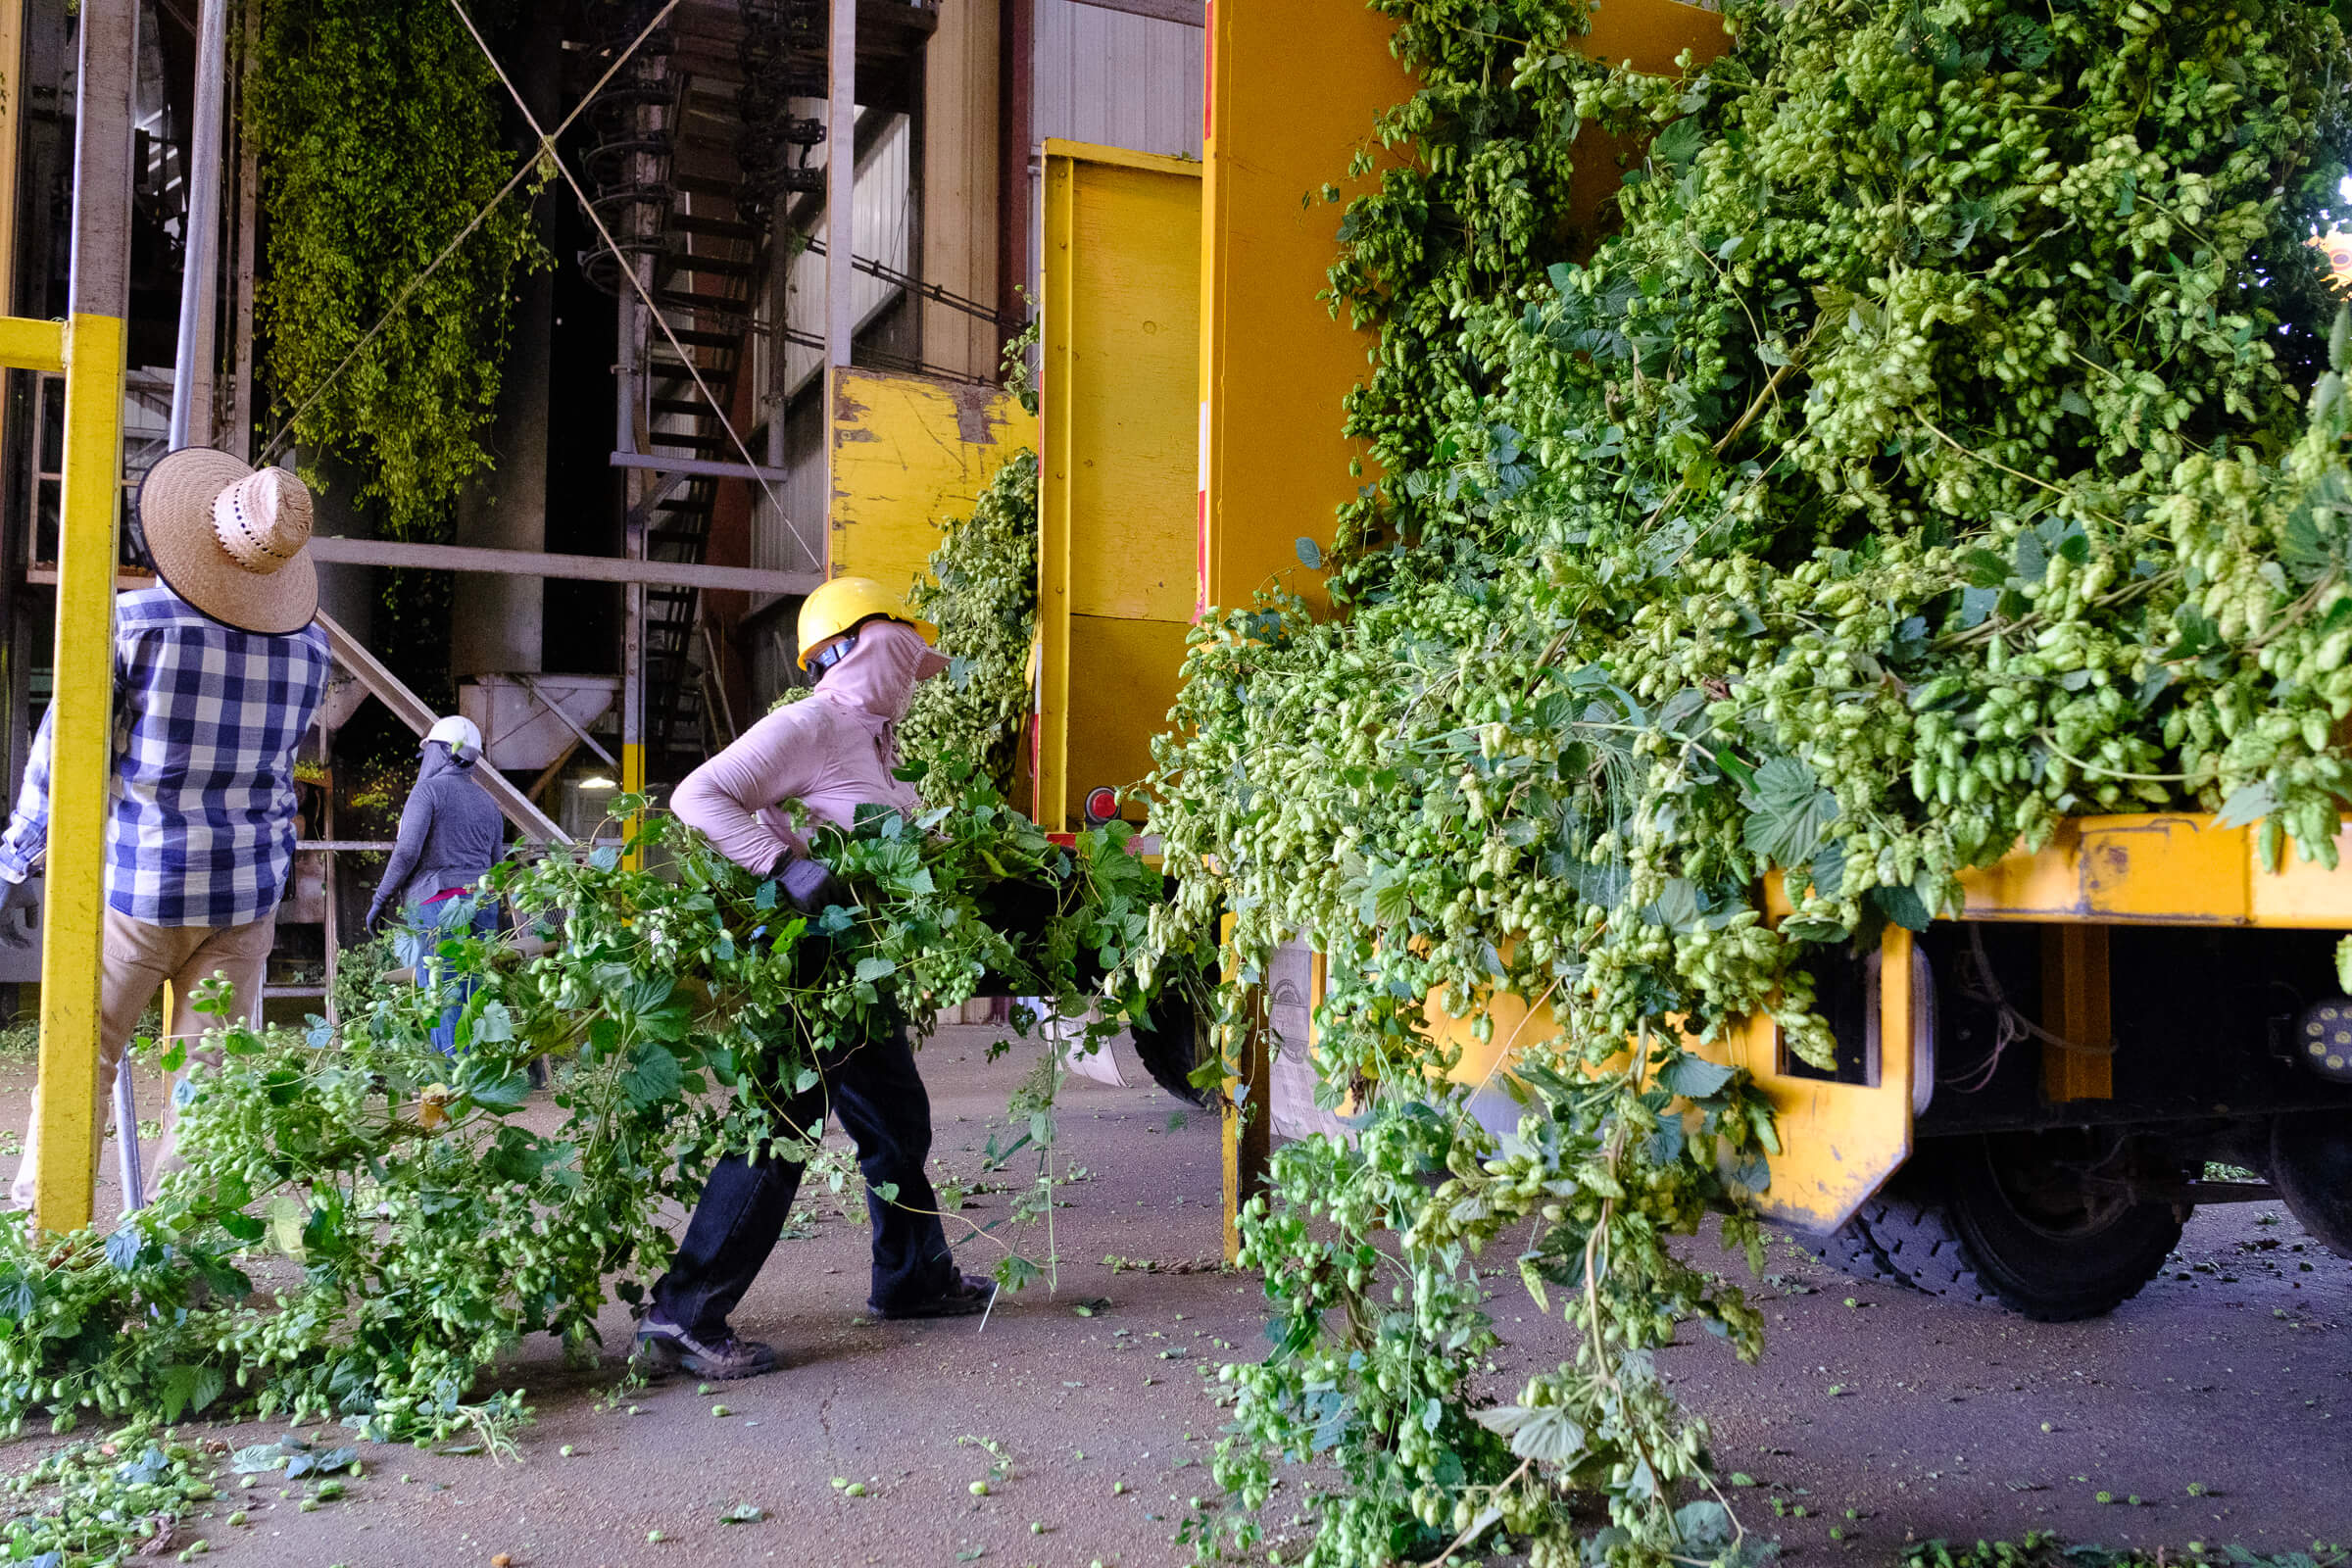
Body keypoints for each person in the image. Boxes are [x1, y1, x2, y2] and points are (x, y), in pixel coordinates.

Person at [637, 576, 994, 1382]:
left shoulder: (870, 743)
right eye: (901, 647)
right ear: (856, 646)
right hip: (808, 963)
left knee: (898, 1119)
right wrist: (780, 865)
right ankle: (684, 1312)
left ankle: (912, 1279)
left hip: (852, 970)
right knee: (779, 1131)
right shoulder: (814, 721)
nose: (912, 669)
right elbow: (698, 796)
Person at [0, 449, 331, 1207]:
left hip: (142, 886)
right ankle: (177, 1264)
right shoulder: (313, 648)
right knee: (208, 1087)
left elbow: (68, 751)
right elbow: (284, 774)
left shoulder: (135, 620)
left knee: (82, 1057)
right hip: (246, 896)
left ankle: (45, 1239)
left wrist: (18, 855)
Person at [367, 714, 503, 1054]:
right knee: (474, 993)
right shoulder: (490, 804)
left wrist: (380, 898)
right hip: (484, 905)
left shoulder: (427, 792)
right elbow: (497, 867)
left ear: (442, 752)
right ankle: (473, 1078)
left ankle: (453, 1089)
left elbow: (406, 852)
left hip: (438, 903)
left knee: (442, 995)